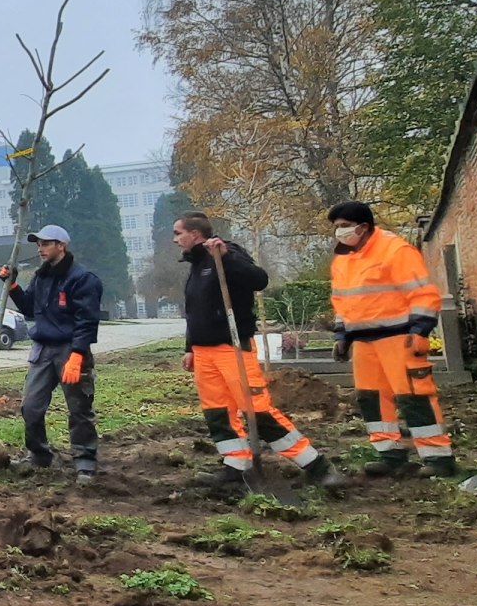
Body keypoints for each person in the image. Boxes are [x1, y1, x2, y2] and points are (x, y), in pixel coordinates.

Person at [173, 212, 344, 489]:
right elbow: (196, 311)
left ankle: (316, 465)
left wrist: (225, 256)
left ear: (195, 233)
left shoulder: (226, 254)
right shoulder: (195, 265)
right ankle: (236, 465)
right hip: (204, 353)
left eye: (178, 233)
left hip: (232, 347)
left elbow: (258, 280)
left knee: (257, 411)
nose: (175, 239)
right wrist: (190, 347)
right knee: (218, 412)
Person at [328, 201, 453, 477]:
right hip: (363, 341)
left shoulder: (395, 250)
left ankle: (438, 458)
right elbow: (342, 302)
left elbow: (422, 293)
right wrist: (342, 336)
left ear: (363, 227)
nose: (339, 233)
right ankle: (390, 454)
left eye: (344, 227)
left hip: (399, 337)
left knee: (414, 397)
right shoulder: (343, 259)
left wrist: (420, 330)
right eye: (336, 228)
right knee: (370, 398)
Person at [0, 225, 104, 483]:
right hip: (43, 351)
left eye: (46, 243)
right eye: (38, 244)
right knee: (31, 407)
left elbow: (87, 321)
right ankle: (39, 455)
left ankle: (85, 461)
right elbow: (29, 309)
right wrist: (12, 285)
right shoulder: (41, 277)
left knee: (79, 409)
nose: (40, 248)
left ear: (61, 245)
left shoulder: (82, 279)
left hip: (71, 350)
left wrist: (78, 355)